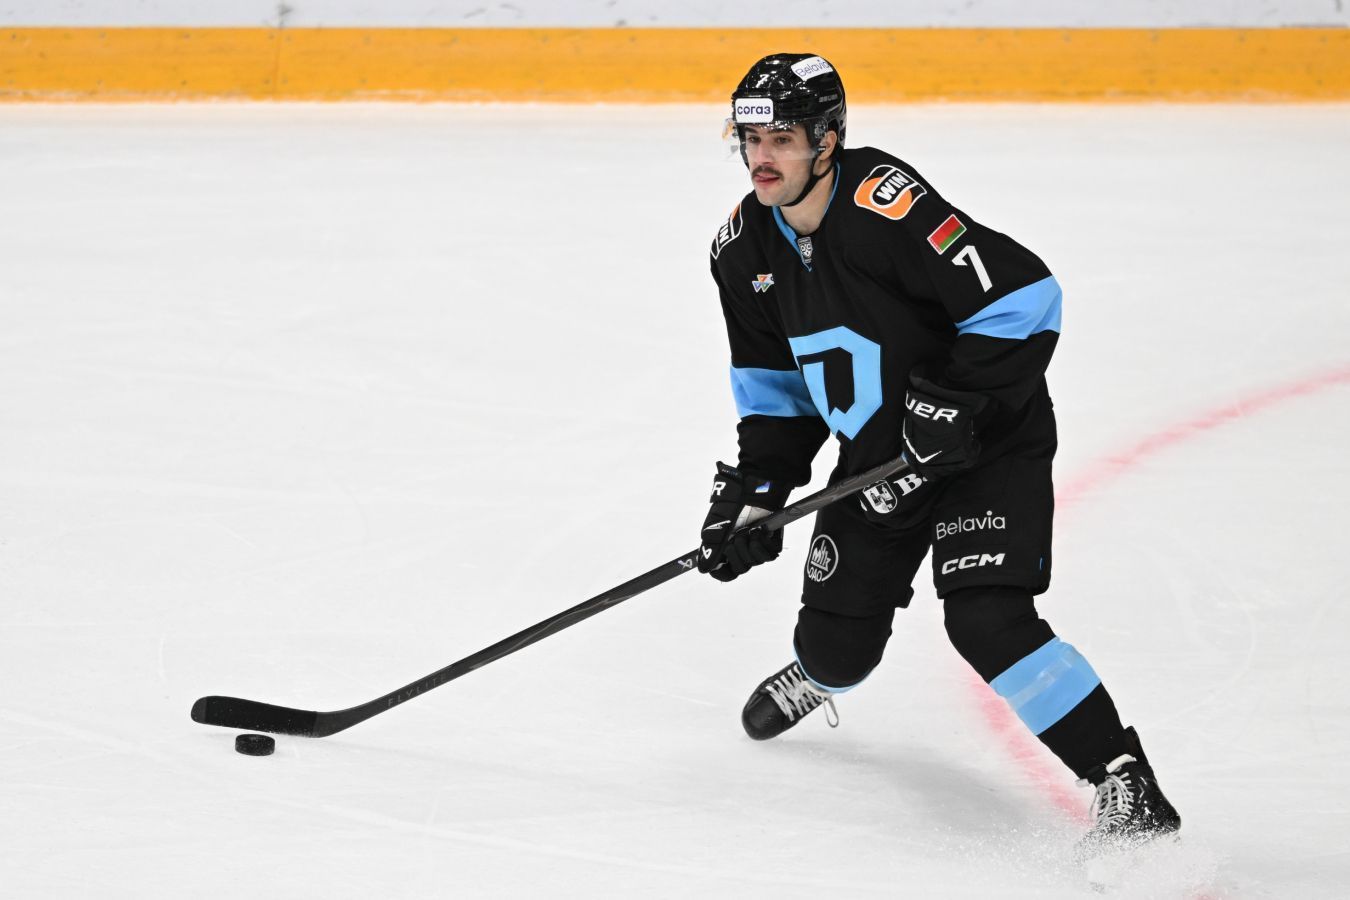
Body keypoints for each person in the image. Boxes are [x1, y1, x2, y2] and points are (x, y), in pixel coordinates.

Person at [696, 52, 1180, 857]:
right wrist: (756, 492)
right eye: (750, 140)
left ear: (827, 139)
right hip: (880, 461)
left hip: (986, 443)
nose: (761, 158)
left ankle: (1124, 780)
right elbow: (776, 391)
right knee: (834, 651)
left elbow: (1025, 301)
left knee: (987, 619)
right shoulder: (741, 252)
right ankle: (819, 677)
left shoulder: (885, 206)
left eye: (782, 138)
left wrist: (951, 402)